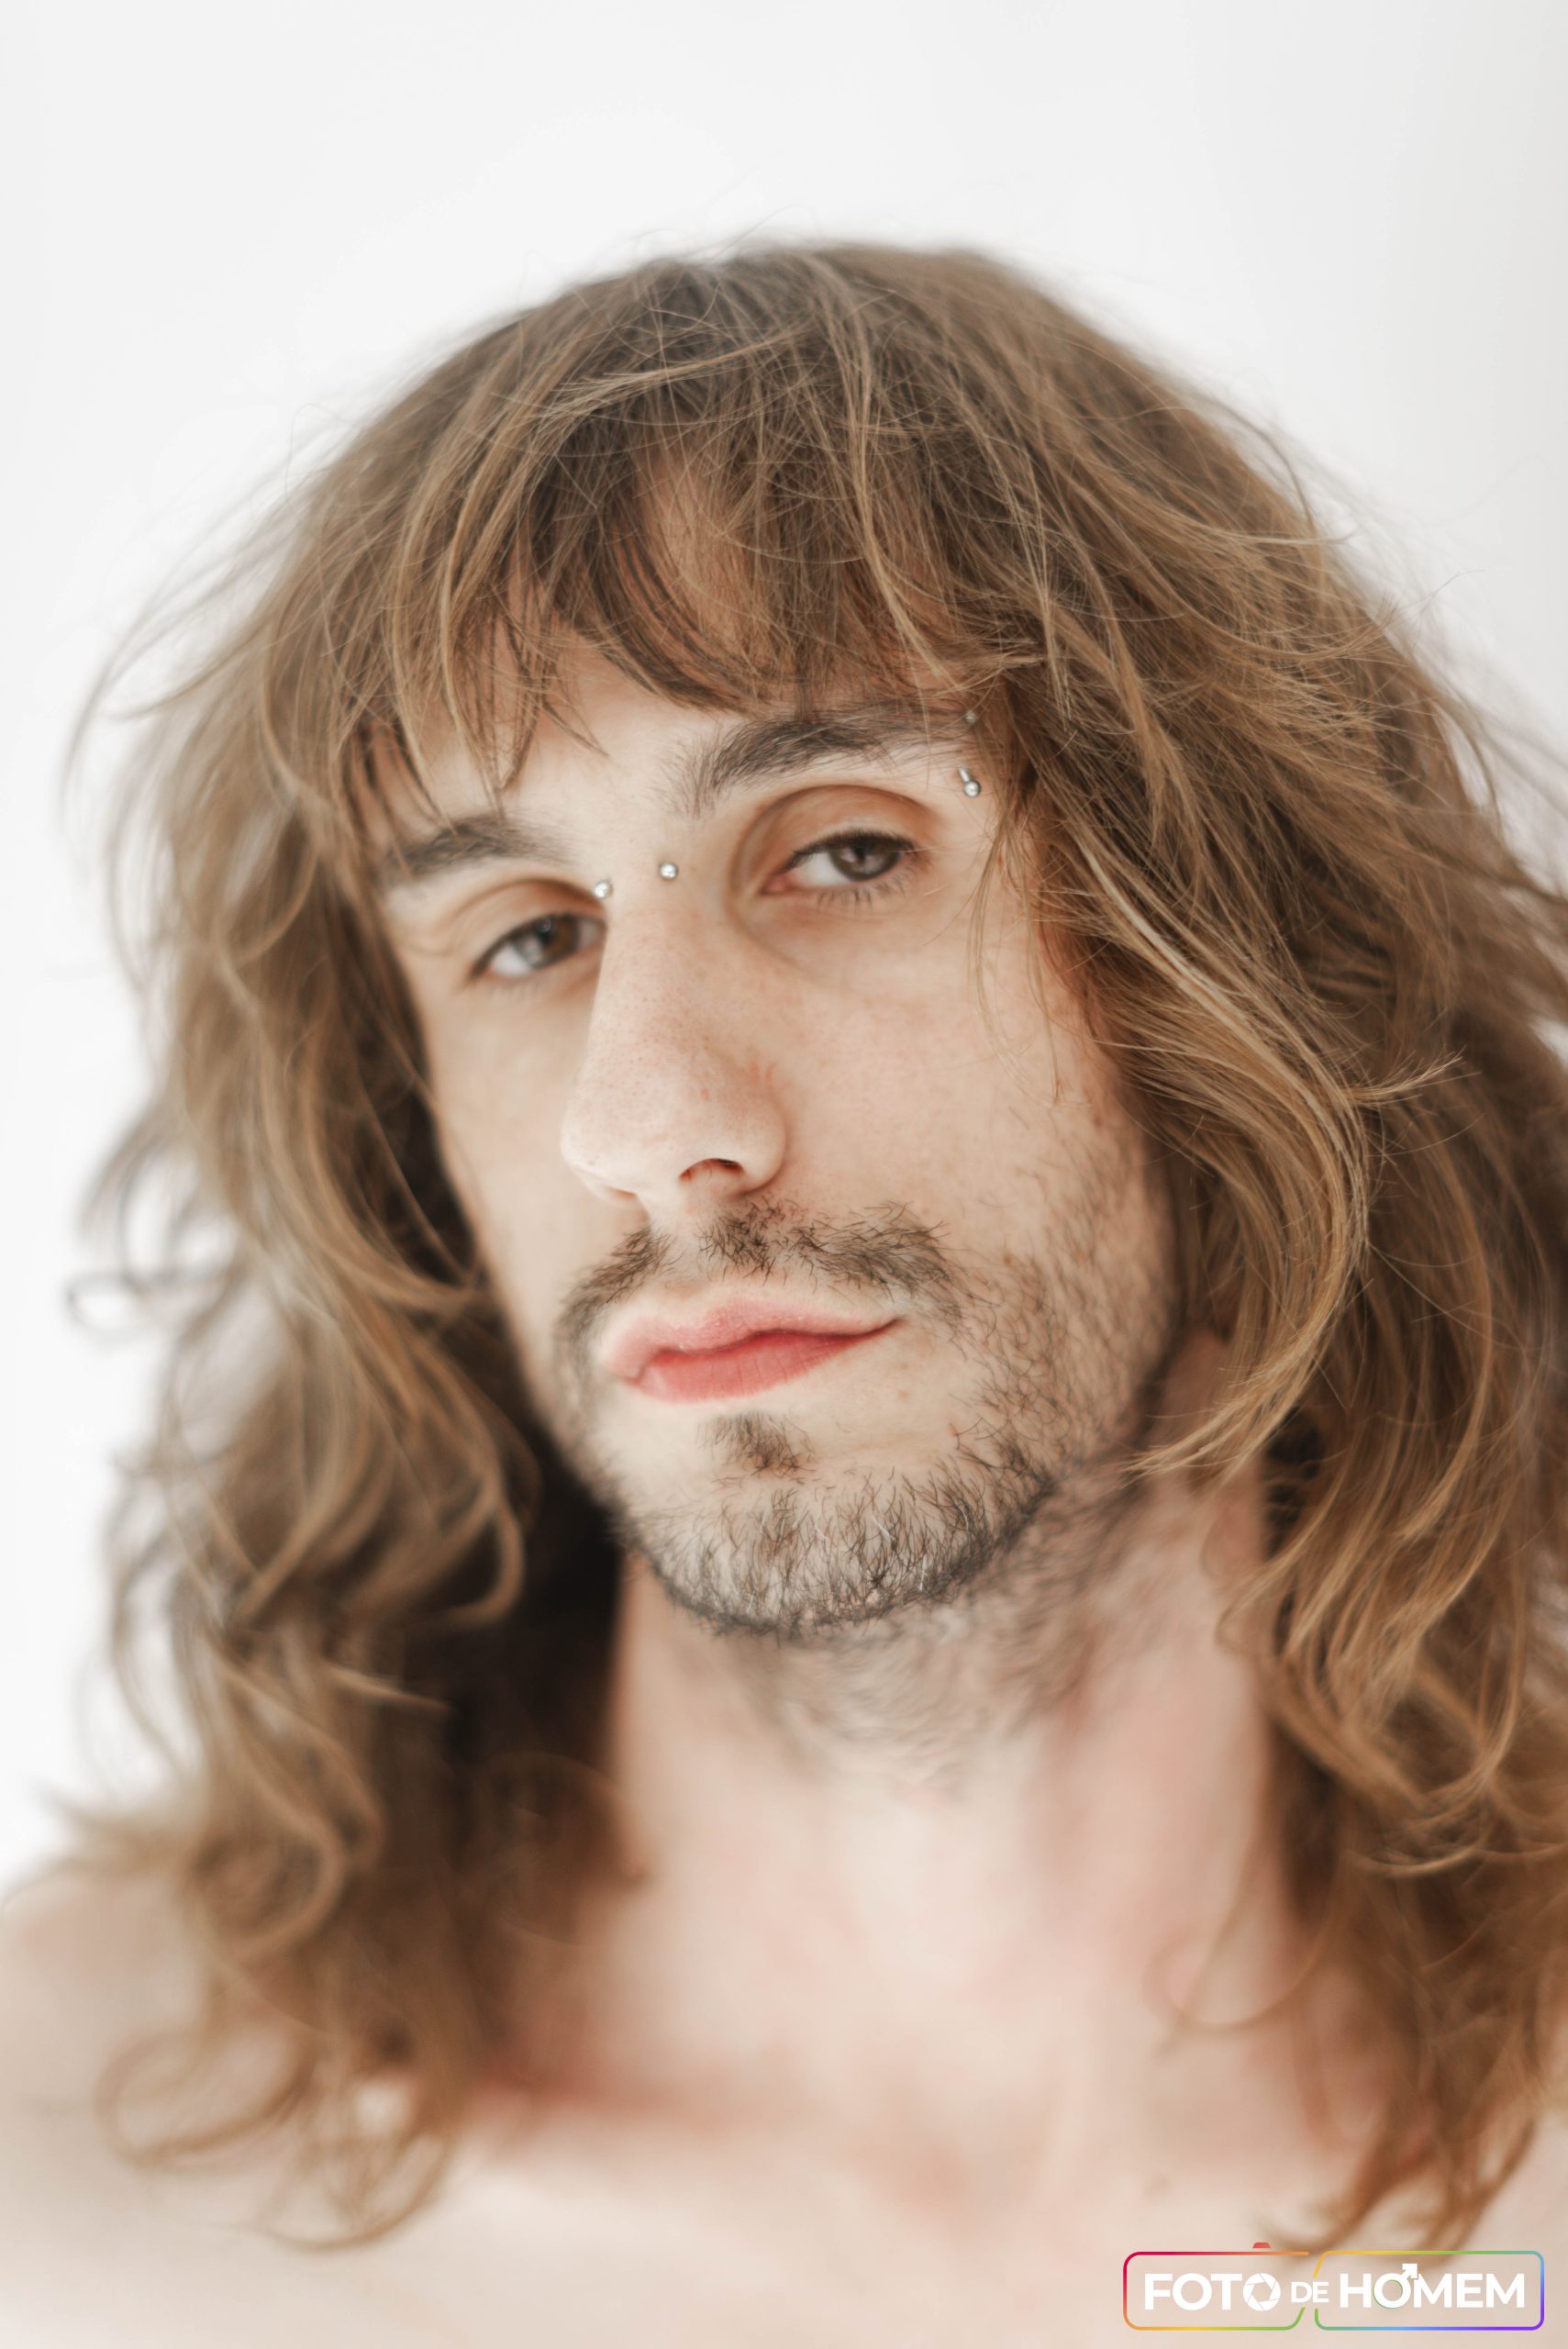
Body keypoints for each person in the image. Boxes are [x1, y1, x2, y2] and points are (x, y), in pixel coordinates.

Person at [5, 240, 1568, 2344]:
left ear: (1241, 976)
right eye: (528, 934)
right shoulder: (76, 2193)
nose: (649, 1123)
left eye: (842, 850)